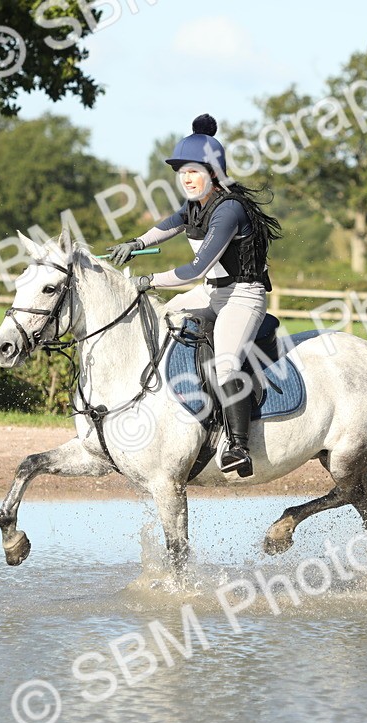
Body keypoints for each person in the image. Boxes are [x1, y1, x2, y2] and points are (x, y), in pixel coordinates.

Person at [108, 114, 282, 478]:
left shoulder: (230, 209)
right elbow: (168, 226)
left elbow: (195, 269)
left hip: (242, 297)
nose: (186, 178)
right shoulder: (195, 206)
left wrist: (149, 278)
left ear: (213, 173)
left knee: (227, 364)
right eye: (182, 172)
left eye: (194, 171)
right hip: (212, 293)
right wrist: (135, 244)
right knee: (161, 322)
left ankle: (238, 446)